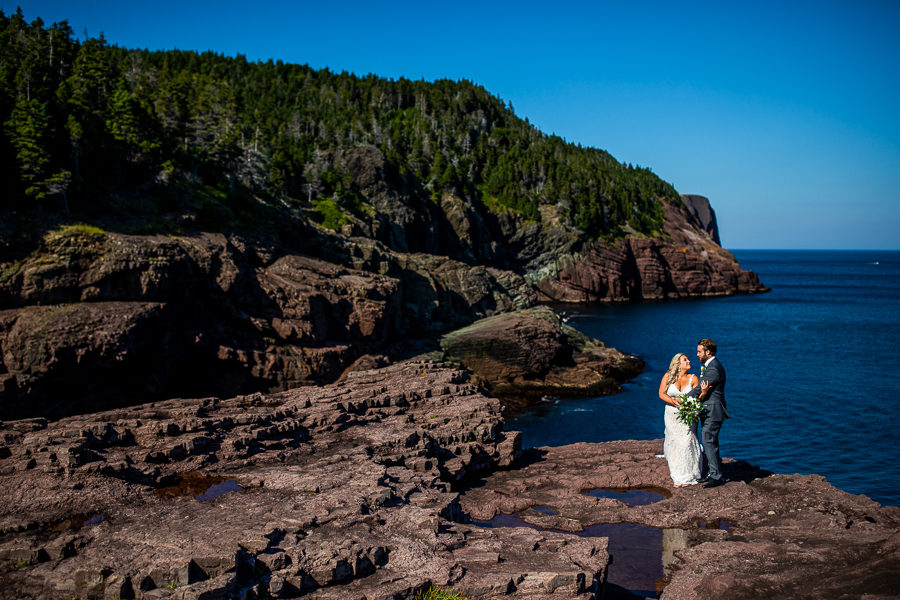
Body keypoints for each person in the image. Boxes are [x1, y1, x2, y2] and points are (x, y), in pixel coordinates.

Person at [658, 353, 702, 487]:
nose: (689, 361)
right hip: (671, 414)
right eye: (685, 360)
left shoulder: (693, 379)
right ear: (678, 364)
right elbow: (661, 394)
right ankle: (678, 475)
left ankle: (688, 474)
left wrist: (687, 404)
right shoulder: (668, 376)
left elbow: (698, 398)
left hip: (686, 414)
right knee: (675, 442)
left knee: (687, 441)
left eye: (688, 359)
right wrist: (673, 402)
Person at [691, 338, 728, 488]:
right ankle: (713, 471)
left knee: (708, 440)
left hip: (713, 410)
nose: (697, 354)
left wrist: (683, 398)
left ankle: (716, 476)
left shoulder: (713, 368)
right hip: (709, 409)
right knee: (710, 441)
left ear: (708, 352)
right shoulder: (710, 366)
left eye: (700, 351)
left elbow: (700, 388)